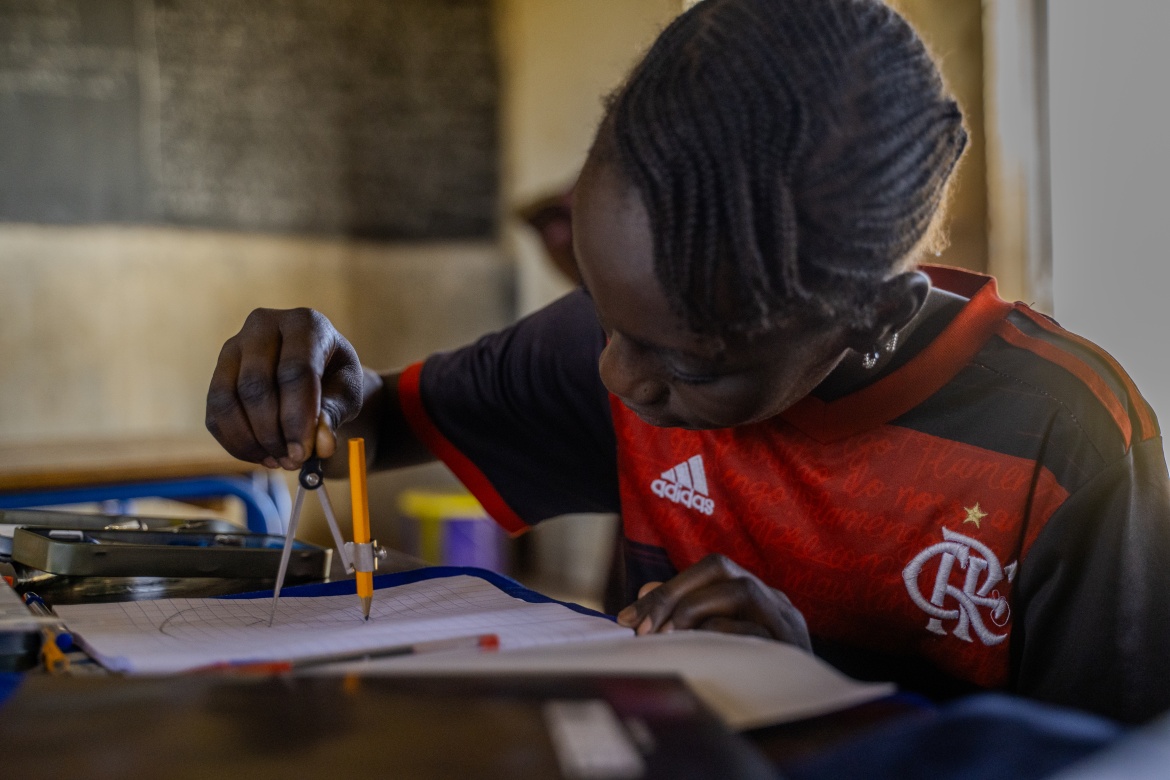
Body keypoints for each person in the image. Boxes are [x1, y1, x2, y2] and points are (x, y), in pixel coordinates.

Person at [205, 0, 1170, 723]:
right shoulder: (617, 345)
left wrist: (814, 692)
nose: (616, 378)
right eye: (603, 312)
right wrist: (311, 380)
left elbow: (1110, 758)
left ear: (867, 318)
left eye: (682, 365)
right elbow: (377, 422)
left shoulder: (1063, 438)